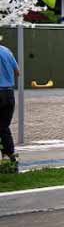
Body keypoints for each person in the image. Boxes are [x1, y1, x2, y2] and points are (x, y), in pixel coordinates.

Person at [0, 41, 19, 169]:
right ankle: (9, 156)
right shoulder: (7, 51)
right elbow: (17, 72)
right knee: (3, 127)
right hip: (9, 94)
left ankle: (8, 157)